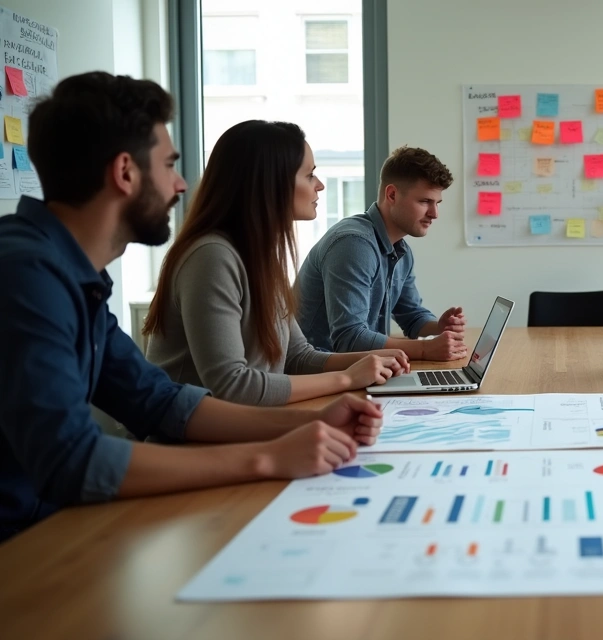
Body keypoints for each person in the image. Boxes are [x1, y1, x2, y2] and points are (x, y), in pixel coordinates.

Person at [0, 72, 383, 542]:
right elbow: (71, 459)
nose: (181, 184)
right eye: (168, 164)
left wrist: (308, 422)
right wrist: (267, 456)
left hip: (54, 523)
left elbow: (157, 401)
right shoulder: (26, 277)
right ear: (125, 173)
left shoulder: (74, 276)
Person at [144, 121, 409, 406]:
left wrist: (372, 359)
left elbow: (297, 357)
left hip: (246, 431)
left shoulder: (260, 256)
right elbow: (231, 386)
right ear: (271, 184)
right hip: (194, 446)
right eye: (309, 175)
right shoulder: (212, 257)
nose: (319, 185)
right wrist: (347, 378)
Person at [295, 145, 467, 362]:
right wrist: (424, 349)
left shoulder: (400, 249)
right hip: (317, 375)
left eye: (437, 203)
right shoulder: (353, 244)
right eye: (424, 201)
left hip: (360, 370)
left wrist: (438, 327)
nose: (434, 214)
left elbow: (412, 316)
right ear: (392, 195)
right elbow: (349, 339)